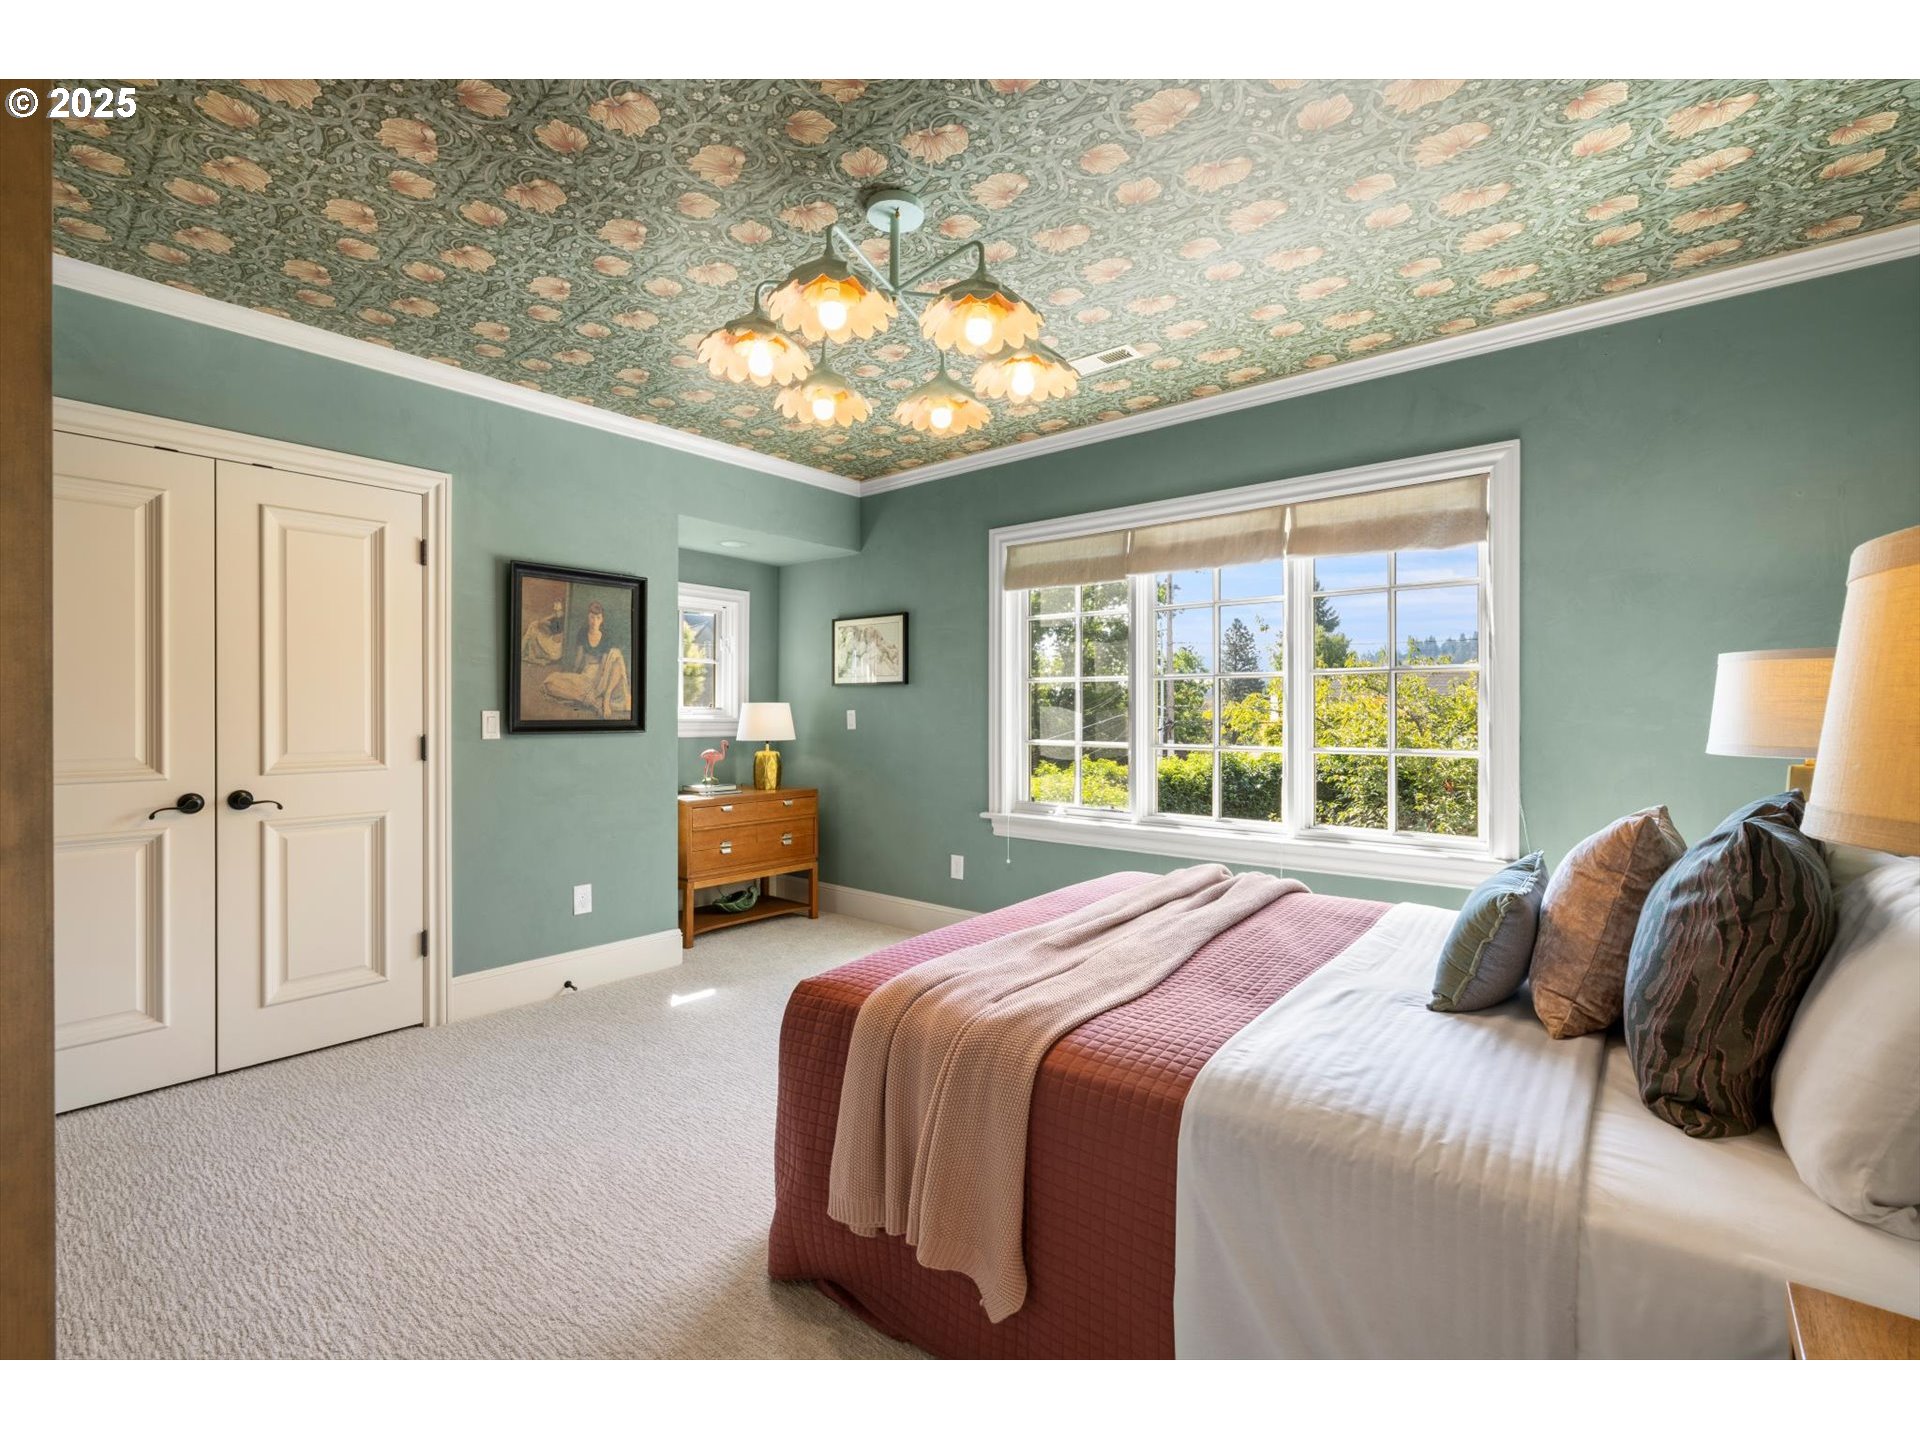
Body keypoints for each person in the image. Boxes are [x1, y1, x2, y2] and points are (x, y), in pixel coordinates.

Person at [542, 599, 630, 719]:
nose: (594, 621)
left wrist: (600, 683)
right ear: (588, 618)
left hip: (604, 674)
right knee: (550, 682)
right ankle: (594, 700)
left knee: (616, 655)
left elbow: (604, 664)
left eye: (598, 618)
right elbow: (579, 659)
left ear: (602, 620)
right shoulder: (583, 633)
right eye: (592, 617)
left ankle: (606, 697)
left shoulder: (606, 636)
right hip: (588, 674)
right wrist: (572, 676)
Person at [520, 599, 566, 664]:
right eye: (556, 611)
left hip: (554, 650)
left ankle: (522, 651)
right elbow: (541, 622)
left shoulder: (561, 621)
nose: (557, 612)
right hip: (553, 648)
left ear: (563, 611)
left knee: (532, 626)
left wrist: (552, 615)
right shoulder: (558, 620)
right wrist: (553, 615)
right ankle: (524, 652)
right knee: (533, 627)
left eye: (558, 611)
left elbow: (540, 622)